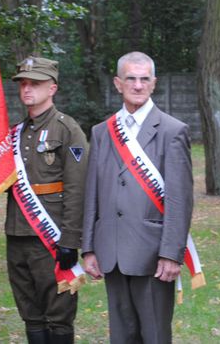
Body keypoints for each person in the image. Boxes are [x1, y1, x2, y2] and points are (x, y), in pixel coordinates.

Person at [81, 51, 194, 344]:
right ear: (118, 83)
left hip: (152, 254)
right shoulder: (102, 132)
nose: (138, 85)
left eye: (145, 79)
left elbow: (180, 200)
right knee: (122, 335)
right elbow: (92, 193)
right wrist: (88, 248)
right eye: (131, 78)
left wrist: (172, 253)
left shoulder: (172, 131)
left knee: (154, 335)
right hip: (112, 251)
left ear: (154, 83)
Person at [5, 56, 88, 344]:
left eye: (35, 83)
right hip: (16, 233)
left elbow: (78, 188)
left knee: (59, 312)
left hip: (50, 237)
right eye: (23, 83)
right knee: (30, 312)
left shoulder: (67, 129)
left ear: (52, 88)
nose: (27, 89)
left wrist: (70, 239)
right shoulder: (15, 133)